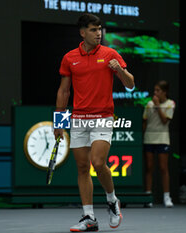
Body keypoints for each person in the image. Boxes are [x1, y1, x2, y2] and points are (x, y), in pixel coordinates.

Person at [54, 13, 134, 232]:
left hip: (103, 117)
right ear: (82, 32)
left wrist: (119, 69)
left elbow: (130, 84)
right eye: (93, 30)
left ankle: (112, 200)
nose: (98, 33)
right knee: (82, 167)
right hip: (79, 118)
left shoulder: (110, 54)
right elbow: (64, 91)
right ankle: (89, 216)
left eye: (100, 29)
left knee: (97, 163)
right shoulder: (70, 58)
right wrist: (58, 121)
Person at [142, 80, 175, 208]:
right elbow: (144, 121)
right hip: (149, 138)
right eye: (154, 90)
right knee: (149, 168)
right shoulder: (148, 104)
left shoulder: (170, 104)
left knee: (163, 168)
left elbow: (164, 120)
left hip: (162, 139)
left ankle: (167, 196)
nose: (155, 93)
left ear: (164, 92)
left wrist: (157, 106)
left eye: (158, 91)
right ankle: (148, 196)